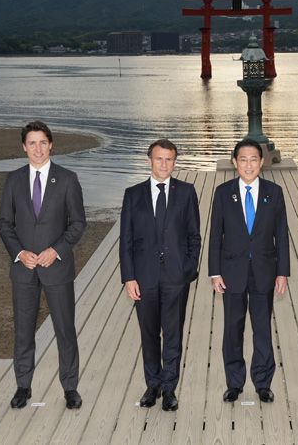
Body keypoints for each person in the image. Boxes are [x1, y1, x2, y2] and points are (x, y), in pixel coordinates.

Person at [0, 121, 86, 410]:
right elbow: (4, 224)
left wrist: (56, 251)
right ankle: (23, 386)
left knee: (65, 329)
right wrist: (20, 252)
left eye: (42, 142)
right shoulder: (13, 180)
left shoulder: (68, 179)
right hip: (24, 269)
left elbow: (77, 224)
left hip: (57, 268)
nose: (37, 148)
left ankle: (70, 387)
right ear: (24, 146)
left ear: (51, 145)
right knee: (23, 330)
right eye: (31, 143)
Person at [119, 139, 201, 412]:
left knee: (173, 334)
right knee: (149, 334)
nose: (164, 164)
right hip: (144, 278)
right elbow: (126, 240)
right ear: (149, 161)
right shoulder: (133, 194)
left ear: (174, 162)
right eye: (159, 159)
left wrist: (188, 269)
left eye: (169, 160)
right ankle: (152, 385)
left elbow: (193, 236)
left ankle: (169, 388)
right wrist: (129, 277)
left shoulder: (187, 192)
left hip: (176, 278)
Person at [209, 139, 290, 403]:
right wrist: (214, 272)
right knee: (233, 328)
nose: (248, 165)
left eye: (254, 159)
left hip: (264, 271)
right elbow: (215, 236)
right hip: (231, 271)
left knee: (262, 328)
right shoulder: (223, 193)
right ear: (234, 163)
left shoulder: (274, 192)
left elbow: (281, 234)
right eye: (242, 159)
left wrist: (282, 272)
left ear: (262, 162)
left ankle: (263, 382)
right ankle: (234, 382)